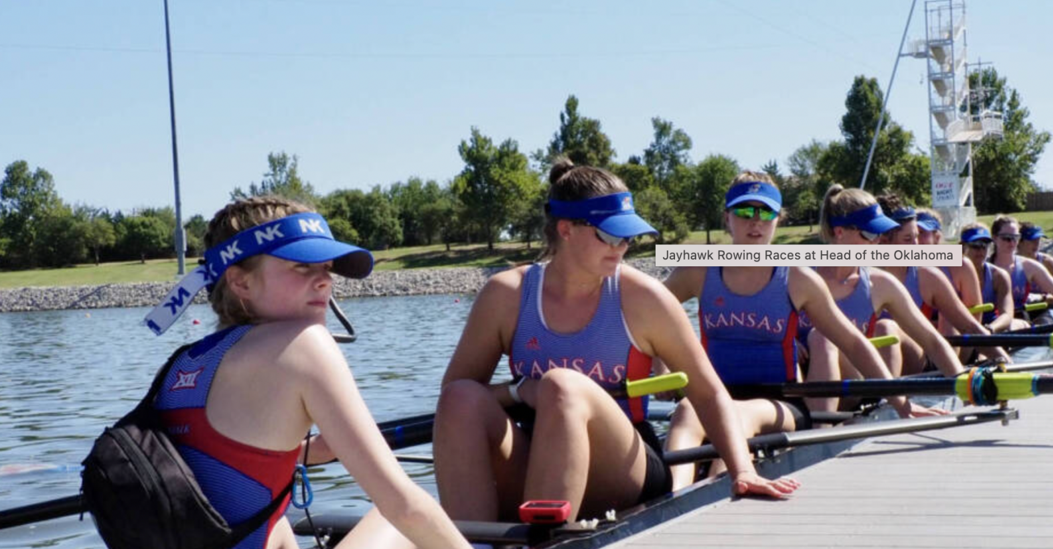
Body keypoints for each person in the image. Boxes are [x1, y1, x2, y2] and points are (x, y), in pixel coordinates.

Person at [432, 160, 797, 524]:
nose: (622, 247)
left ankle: (542, 537)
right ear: (566, 229)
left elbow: (709, 393)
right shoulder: (506, 294)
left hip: (626, 468)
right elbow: (459, 393)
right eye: (610, 235)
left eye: (628, 236)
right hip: (533, 448)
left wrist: (742, 472)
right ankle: (470, 539)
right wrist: (521, 392)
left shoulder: (643, 298)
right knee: (460, 399)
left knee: (563, 386)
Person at [144, 196, 470, 549]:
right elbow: (405, 509)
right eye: (302, 267)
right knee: (399, 521)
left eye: (327, 267)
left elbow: (225, 464)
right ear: (241, 283)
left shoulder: (182, 363)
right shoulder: (305, 345)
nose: (325, 282)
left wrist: (306, 451)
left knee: (278, 526)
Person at [661, 174, 932, 489]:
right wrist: (660, 362)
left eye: (766, 213)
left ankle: (720, 488)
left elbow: (855, 343)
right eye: (745, 212)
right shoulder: (698, 269)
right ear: (727, 218)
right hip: (715, 397)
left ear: (778, 219)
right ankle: (673, 497)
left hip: (781, 402)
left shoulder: (799, 278)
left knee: (734, 414)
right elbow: (645, 316)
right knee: (685, 410)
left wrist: (901, 403)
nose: (756, 222)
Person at [806, 186, 964, 413]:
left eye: (880, 234)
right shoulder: (799, 277)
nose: (877, 242)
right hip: (800, 386)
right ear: (839, 232)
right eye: (870, 234)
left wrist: (965, 385)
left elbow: (932, 341)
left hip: (855, 384)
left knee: (825, 338)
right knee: (820, 339)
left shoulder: (881, 284)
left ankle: (821, 434)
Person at [876, 197, 1008, 364]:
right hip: (868, 357)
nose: (917, 247)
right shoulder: (855, 273)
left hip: (923, 356)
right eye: (908, 240)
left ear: (937, 238)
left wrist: (1004, 360)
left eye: (917, 237)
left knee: (886, 328)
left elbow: (971, 326)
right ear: (882, 242)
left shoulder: (929, 276)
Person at [989, 215, 1053, 330]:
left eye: (1015, 237)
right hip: (991, 320)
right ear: (994, 238)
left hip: (1018, 320)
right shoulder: (983, 267)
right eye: (1006, 238)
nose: (1011, 243)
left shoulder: (1029, 266)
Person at [960, 223, 1018, 333]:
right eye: (975, 244)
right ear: (962, 247)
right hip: (960, 326)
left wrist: (990, 329)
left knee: (1012, 326)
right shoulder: (949, 272)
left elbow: (1007, 314)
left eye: (985, 245)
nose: (981, 250)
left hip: (989, 326)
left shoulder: (999, 276)